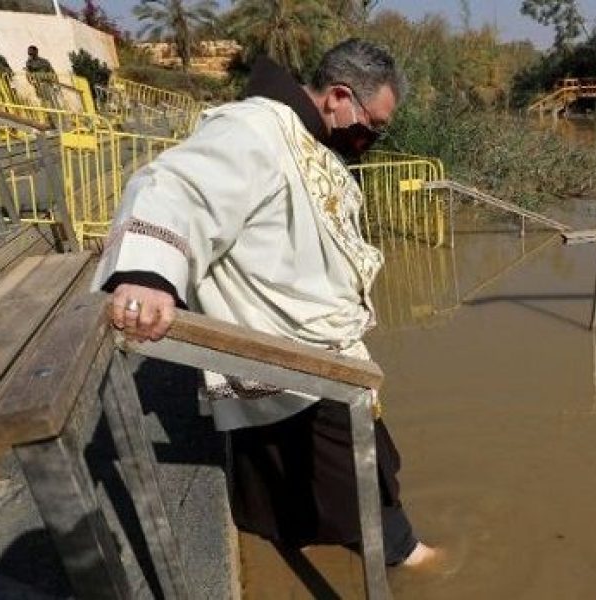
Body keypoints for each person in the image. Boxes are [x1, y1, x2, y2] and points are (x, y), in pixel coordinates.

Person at [93, 39, 439, 567]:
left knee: (336, 468)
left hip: (323, 345)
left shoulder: (303, 137)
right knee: (360, 481)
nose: (372, 138)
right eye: (372, 124)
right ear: (339, 97)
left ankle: (295, 542)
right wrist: (147, 275)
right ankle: (418, 561)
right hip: (293, 355)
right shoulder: (253, 129)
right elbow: (176, 186)